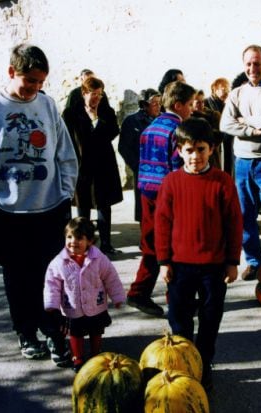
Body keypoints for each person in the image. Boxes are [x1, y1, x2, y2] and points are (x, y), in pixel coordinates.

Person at [0, 44, 78, 361]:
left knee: (50, 276)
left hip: (48, 210)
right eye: (30, 81)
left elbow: (65, 153)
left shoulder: (47, 106)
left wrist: (65, 192)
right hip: (6, 212)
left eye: (40, 82)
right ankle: (26, 332)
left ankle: (54, 333)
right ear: (12, 72)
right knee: (19, 277)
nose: (35, 88)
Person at [155, 117, 243, 390]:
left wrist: (232, 261)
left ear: (212, 149)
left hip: (214, 266)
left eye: (201, 149)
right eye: (189, 150)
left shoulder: (222, 182)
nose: (195, 156)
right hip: (179, 267)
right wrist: (163, 261)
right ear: (179, 150)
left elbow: (234, 223)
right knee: (179, 320)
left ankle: (203, 366)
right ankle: (183, 366)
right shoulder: (171, 182)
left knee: (209, 319)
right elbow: (162, 223)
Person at [126, 81, 196, 316]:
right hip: (168, 197)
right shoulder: (178, 131)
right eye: (189, 104)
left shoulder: (151, 127)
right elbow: (179, 168)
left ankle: (142, 292)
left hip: (147, 192)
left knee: (151, 244)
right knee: (172, 247)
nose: (192, 109)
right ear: (178, 105)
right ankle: (170, 297)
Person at [220, 44, 261, 281]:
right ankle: (253, 262)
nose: (252, 68)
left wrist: (243, 121)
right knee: (245, 217)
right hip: (242, 164)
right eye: (248, 64)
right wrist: (252, 128)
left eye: (257, 63)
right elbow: (225, 124)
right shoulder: (236, 93)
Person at [44, 217, 125, 372]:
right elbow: (51, 284)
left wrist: (117, 297)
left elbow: (111, 277)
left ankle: (96, 353)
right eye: (69, 237)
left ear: (90, 241)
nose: (73, 242)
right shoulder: (59, 262)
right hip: (72, 307)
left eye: (79, 238)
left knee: (96, 330)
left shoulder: (99, 258)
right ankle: (78, 357)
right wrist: (51, 303)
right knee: (75, 333)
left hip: (96, 305)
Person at [63, 76, 123, 255]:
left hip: (103, 166)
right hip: (82, 167)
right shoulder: (71, 114)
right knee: (83, 209)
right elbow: (68, 139)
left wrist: (96, 119)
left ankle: (106, 243)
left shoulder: (107, 112)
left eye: (100, 94)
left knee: (104, 206)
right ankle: (83, 244)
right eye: (92, 94)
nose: (96, 98)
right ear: (84, 93)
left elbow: (112, 132)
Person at [119, 88, 161, 222]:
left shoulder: (162, 121)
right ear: (144, 105)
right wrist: (137, 166)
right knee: (145, 211)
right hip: (143, 172)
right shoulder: (132, 122)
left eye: (160, 103)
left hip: (161, 171)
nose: (158, 106)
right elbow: (124, 147)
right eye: (155, 103)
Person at [191, 89, 222, 168]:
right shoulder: (189, 117)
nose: (201, 104)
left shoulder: (213, 115)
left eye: (202, 102)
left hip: (212, 155)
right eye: (198, 102)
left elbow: (217, 137)